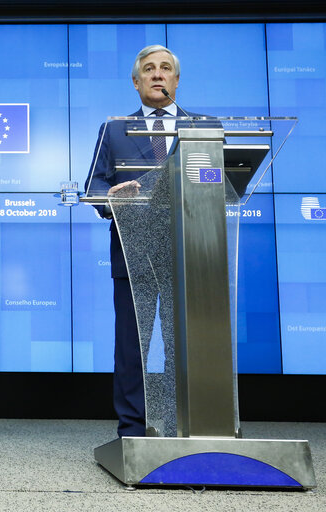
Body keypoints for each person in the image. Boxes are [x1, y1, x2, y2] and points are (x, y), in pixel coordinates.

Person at [86, 45, 203, 438]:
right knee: (132, 348)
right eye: (149, 70)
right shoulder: (114, 129)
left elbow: (220, 180)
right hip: (132, 252)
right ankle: (133, 431)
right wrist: (114, 197)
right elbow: (94, 184)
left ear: (176, 79)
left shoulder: (202, 127)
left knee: (182, 348)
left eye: (165, 68)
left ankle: (180, 425)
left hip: (191, 252)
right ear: (136, 82)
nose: (157, 75)